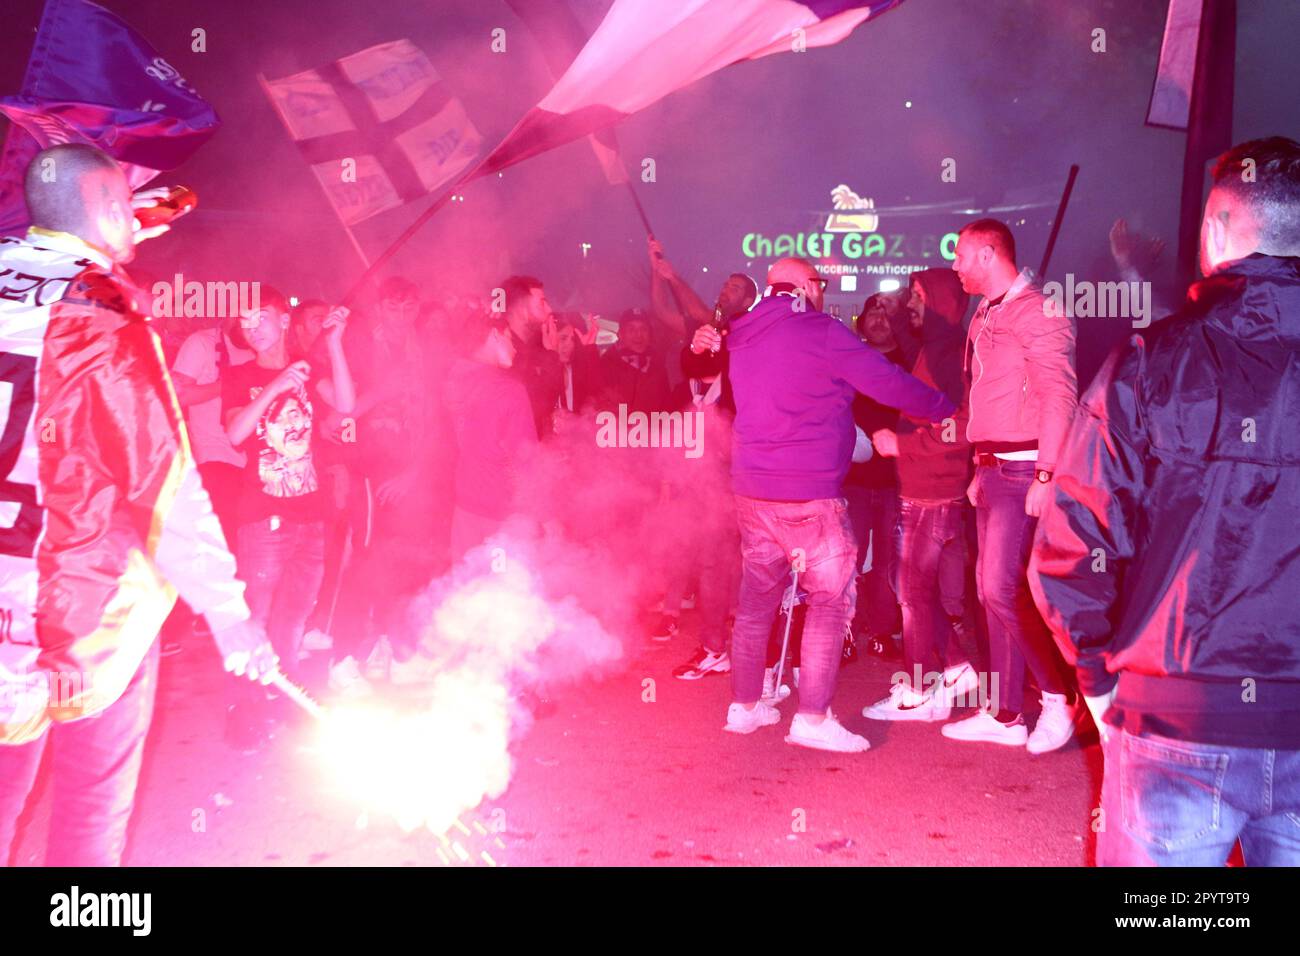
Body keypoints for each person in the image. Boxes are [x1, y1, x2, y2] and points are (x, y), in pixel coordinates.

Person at [0, 144, 273, 865]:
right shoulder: (103, 312)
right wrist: (230, 613)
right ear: (112, 210)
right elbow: (162, 482)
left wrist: (106, 234)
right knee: (91, 811)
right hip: (83, 604)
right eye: (126, 203)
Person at [1030, 137, 1300, 865]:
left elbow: (1072, 541)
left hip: (1175, 717)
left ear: (1215, 234)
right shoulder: (1153, 361)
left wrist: (1094, 676)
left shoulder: (1150, 363)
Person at [711, 257, 954, 753]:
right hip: (807, 494)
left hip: (752, 493)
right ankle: (813, 717)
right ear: (805, 287)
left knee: (757, 603)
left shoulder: (743, 334)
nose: (823, 292)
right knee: (829, 599)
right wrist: (942, 408)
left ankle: (745, 706)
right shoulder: (818, 330)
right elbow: (885, 380)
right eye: (819, 284)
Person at [941, 218, 1079, 754]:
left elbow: (1058, 395)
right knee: (988, 592)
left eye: (960, 255)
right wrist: (981, 467)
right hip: (996, 467)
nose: (954, 266)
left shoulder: (1038, 309)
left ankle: (1057, 699)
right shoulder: (988, 312)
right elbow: (990, 399)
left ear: (988, 253)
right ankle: (1003, 713)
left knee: (1002, 588)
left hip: (1026, 469)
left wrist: (1047, 473)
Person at [221, 286, 354, 748]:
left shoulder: (308, 368)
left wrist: (334, 343)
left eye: (261, 317)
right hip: (262, 517)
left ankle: (287, 699)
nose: (252, 327)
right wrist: (275, 386)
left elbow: (346, 403)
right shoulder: (238, 375)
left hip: (311, 514)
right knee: (255, 616)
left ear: (283, 320)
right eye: (245, 321)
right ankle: (246, 707)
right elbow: (237, 434)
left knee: (294, 617)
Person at [862, 268, 982, 721]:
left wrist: (904, 444)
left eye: (916, 297)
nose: (911, 303)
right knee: (916, 588)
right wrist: (895, 316)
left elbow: (964, 425)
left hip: (933, 490)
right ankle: (956, 669)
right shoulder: (934, 347)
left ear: (938, 302)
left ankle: (915, 692)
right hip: (923, 485)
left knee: (911, 593)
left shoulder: (950, 351)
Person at [844, 292, 910, 660]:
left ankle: (883, 631)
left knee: (887, 562)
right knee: (846, 560)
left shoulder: (910, 362)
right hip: (852, 480)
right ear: (861, 321)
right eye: (873, 312)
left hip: (894, 482)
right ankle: (843, 632)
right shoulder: (850, 363)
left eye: (887, 313)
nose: (880, 319)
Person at [444, 307, 539, 558]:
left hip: (464, 507)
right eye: (510, 337)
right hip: (501, 514)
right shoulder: (509, 390)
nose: (515, 348)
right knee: (502, 592)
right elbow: (525, 460)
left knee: (464, 589)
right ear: (495, 336)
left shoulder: (453, 381)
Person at [171, 310, 255, 542]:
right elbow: (179, 395)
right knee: (223, 543)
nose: (249, 324)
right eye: (243, 316)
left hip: (255, 465)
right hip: (216, 460)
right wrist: (231, 383)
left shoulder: (262, 346)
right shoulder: (203, 343)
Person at [500, 274, 563, 439]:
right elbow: (536, 408)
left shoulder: (534, 347)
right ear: (521, 309)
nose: (549, 309)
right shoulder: (504, 353)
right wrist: (552, 357)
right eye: (542, 302)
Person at [600, 308, 673, 416]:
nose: (638, 335)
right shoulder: (606, 365)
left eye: (643, 329)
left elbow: (666, 406)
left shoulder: (658, 365)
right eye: (631, 329)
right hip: (617, 431)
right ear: (620, 334)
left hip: (653, 431)